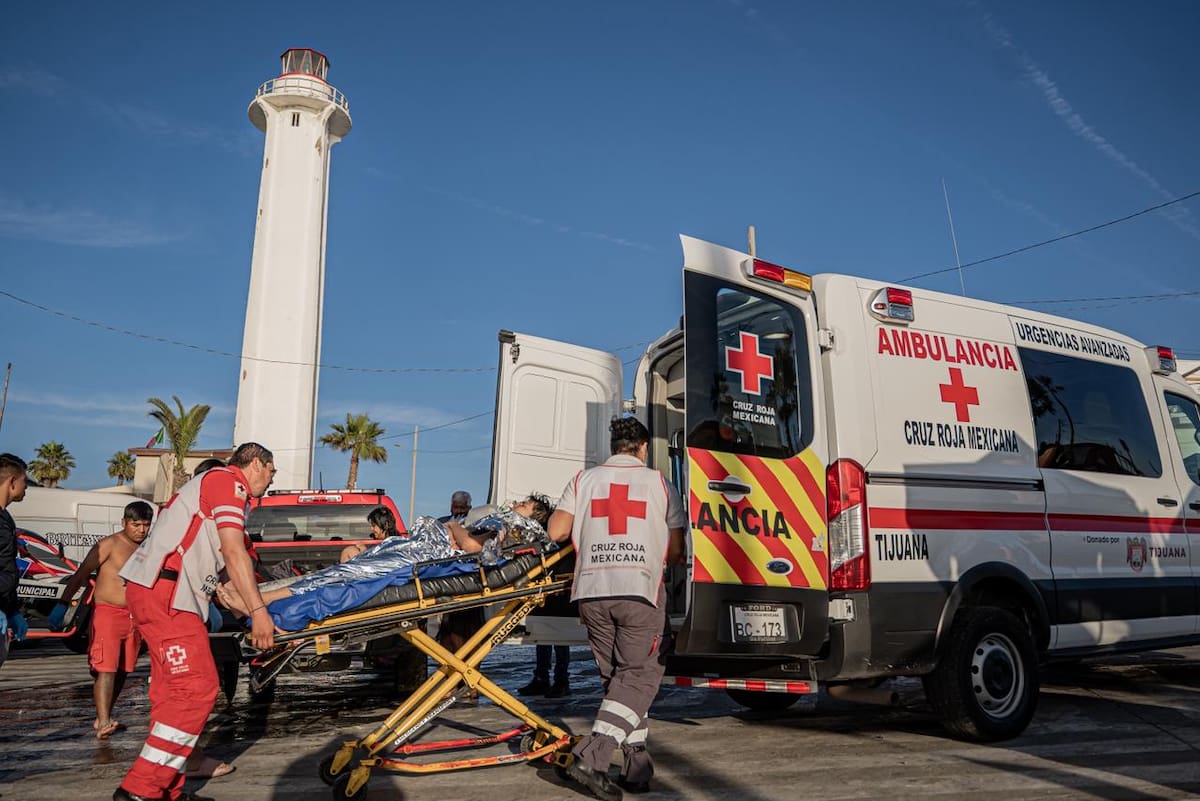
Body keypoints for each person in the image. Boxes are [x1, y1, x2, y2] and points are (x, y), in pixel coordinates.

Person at [113, 442, 278, 801]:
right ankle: (141, 789)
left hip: (163, 593)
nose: (271, 480)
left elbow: (226, 581)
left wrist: (255, 614)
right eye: (271, 472)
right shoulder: (228, 483)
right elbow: (233, 552)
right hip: (168, 596)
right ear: (256, 464)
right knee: (196, 687)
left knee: (172, 693)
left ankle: (166, 788)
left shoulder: (213, 492)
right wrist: (260, 613)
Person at [548, 418, 686, 800]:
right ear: (643, 447)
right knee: (640, 677)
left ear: (613, 447)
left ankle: (636, 768)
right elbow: (676, 551)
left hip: (592, 591)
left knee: (619, 683)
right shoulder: (661, 483)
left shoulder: (584, 480)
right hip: (639, 591)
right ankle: (592, 757)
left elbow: (556, 531)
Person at [48, 501, 154, 739]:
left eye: (146, 525)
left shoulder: (148, 548)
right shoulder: (109, 544)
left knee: (124, 669)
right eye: (136, 524)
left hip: (134, 617)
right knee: (106, 668)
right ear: (124, 522)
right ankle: (104, 720)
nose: (141, 530)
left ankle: (104, 716)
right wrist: (62, 604)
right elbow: (81, 575)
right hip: (108, 614)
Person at [518, 544, 576, 699]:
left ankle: (560, 680)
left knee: (558, 632)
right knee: (543, 631)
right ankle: (543, 677)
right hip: (548, 576)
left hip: (559, 578)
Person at [0, 453, 29, 669]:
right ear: (12, 482)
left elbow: (5, 567)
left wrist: (12, 610)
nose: (26, 488)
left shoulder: (6, 518)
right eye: (24, 481)